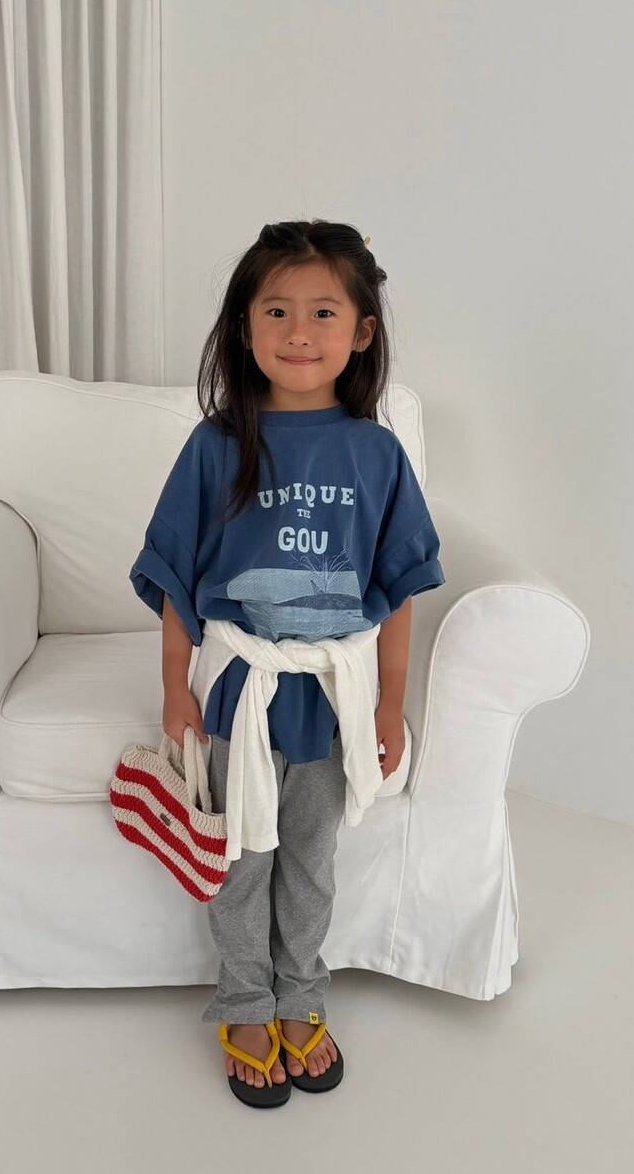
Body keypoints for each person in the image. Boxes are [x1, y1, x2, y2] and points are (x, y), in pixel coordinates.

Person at [128, 219, 445, 1108]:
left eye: (322, 311)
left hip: (331, 699)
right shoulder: (215, 444)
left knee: (310, 855)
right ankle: (244, 1002)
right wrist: (174, 688)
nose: (298, 332)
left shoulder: (377, 452)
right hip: (241, 689)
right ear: (244, 325)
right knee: (240, 855)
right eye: (276, 310)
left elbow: (399, 585)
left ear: (362, 331)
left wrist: (388, 702)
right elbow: (175, 577)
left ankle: (302, 994)